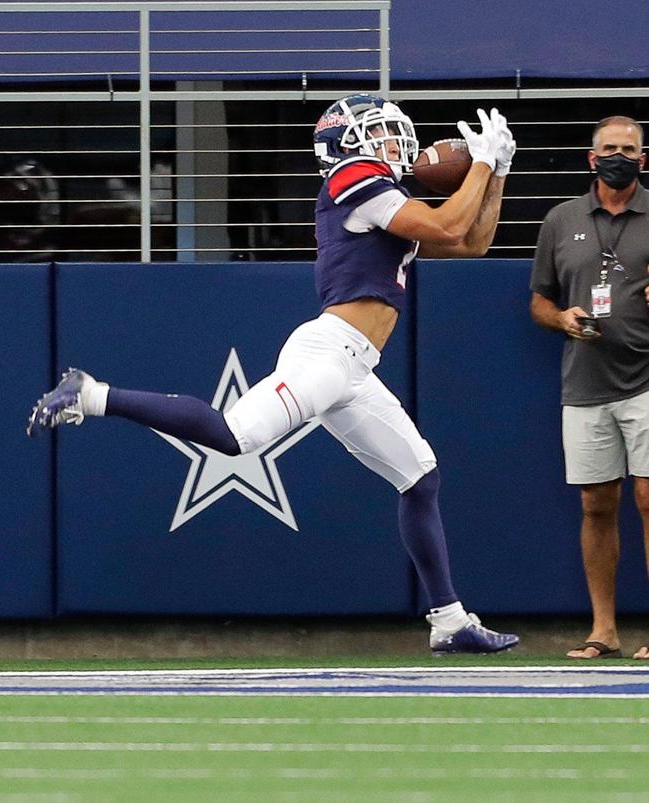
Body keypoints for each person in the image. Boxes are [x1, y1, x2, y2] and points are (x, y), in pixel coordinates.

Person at [28, 94, 521, 655]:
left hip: (355, 366)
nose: (398, 143)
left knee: (420, 476)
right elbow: (447, 224)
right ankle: (92, 394)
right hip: (328, 353)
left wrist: (496, 172)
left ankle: (450, 620)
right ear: (350, 142)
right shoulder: (354, 177)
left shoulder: (383, 191)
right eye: (383, 132)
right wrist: (480, 165)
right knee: (236, 437)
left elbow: (472, 242)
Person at [530, 115, 649, 661]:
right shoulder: (561, 219)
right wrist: (562, 320)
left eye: (629, 148)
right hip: (584, 383)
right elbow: (538, 301)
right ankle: (604, 629)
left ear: (643, 160)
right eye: (611, 148)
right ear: (591, 157)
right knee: (597, 503)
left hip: (646, 380)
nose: (619, 156)